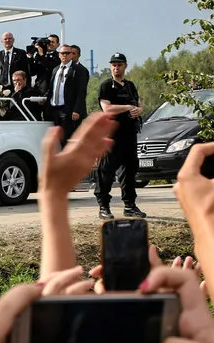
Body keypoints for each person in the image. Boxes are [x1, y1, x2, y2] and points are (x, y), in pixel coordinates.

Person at [94, 52, 146, 219]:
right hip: (112, 135)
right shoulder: (106, 86)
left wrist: (139, 110)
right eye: (113, 65)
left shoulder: (130, 85)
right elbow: (107, 109)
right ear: (111, 67)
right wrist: (127, 107)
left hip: (129, 134)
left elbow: (138, 103)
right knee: (106, 171)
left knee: (129, 171)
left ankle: (130, 205)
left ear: (125, 66)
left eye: (119, 64)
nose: (116, 67)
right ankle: (104, 206)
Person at [45, 44, 88, 148]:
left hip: (68, 110)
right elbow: (51, 89)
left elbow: (81, 92)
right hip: (55, 109)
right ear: (59, 55)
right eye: (62, 53)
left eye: (67, 53)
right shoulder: (55, 69)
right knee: (58, 139)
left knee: (68, 140)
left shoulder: (79, 70)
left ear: (71, 55)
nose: (64, 55)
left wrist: (77, 110)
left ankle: (72, 163)